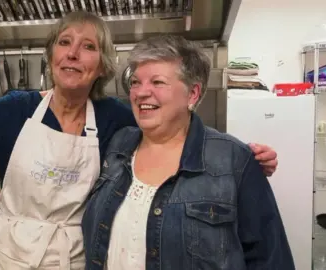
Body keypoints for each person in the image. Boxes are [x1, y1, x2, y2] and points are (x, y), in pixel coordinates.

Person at [0, 12, 278, 270]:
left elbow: (175, 128)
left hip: (75, 258)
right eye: (64, 43)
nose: (72, 54)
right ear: (51, 55)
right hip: (9, 255)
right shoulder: (11, 109)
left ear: (102, 65)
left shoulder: (118, 117)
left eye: (87, 47)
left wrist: (241, 157)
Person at [82, 35, 294, 270]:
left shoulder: (234, 161)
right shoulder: (117, 146)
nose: (141, 92)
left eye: (157, 82)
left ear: (192, 94)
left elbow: (271, 260)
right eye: (135, 82)